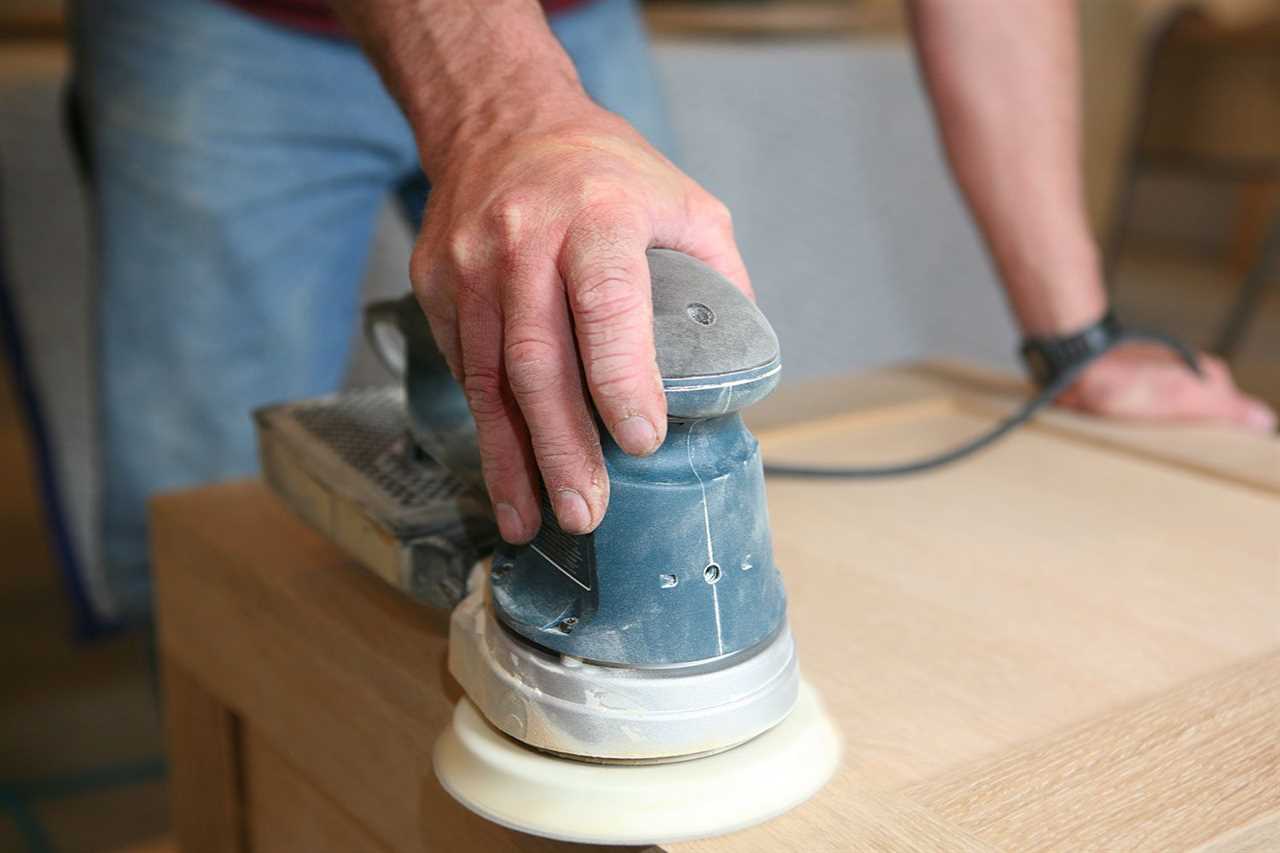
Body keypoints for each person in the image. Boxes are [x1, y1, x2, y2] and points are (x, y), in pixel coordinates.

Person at [72, 0, 1274, 620]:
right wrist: (503, 109)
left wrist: (1076, 342)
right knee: (205, 499)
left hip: (572, 12)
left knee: (632, 355)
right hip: (228, 23)